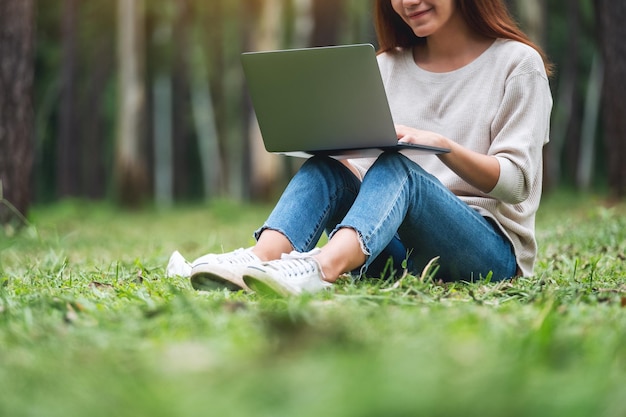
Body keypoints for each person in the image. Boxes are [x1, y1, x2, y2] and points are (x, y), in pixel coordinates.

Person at [177, 0, 553, 296]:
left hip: (486, 253)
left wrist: (442, 146)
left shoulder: (518, 64)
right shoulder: (387, 67)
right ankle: (258, 262)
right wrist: (335, 152)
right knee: (328, 168)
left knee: (400, 167)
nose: (409, 1)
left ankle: (320, 269)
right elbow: (368, 178)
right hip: (396, 250)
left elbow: (517, 183)